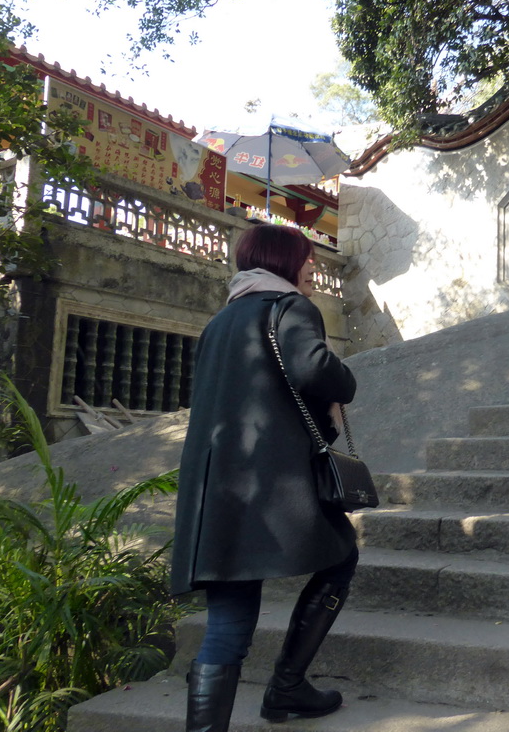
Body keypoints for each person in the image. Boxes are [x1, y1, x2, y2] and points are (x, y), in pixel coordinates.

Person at [170, 223, 358, 731]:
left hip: (217, 489)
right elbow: (316, 368)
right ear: (285, 261)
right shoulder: (290, 307)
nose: (313, 269)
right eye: (308, 259)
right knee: (342, 554)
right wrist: (347, 379)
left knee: (229, 617)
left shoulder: (221, 320)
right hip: (271, 481)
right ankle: (287, 687)